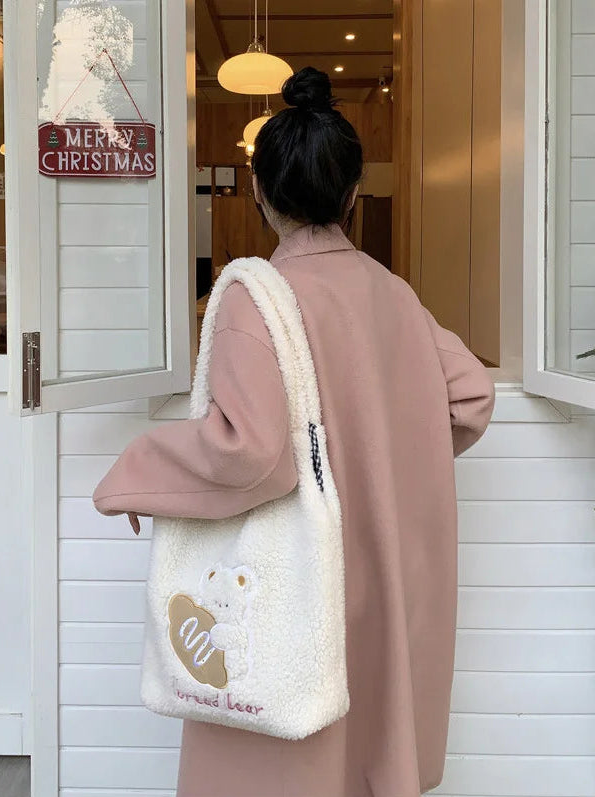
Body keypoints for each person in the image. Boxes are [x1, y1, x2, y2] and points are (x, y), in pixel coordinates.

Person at [93, 66, 495, 797]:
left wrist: (136, 470)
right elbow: (468, 397)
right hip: (387, 573)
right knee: (369, 751)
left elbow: (250, 453)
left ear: (258, 190)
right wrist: (391, 457)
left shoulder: (256, 298)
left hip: (302, 582)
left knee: (283, 750)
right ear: (351, 193)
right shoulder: (393, 292)